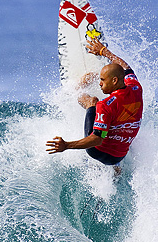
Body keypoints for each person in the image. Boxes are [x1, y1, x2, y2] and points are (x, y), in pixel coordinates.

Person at [46, 38, 143, 169]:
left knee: (92, 102)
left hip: (98, 151)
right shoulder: (136, 88)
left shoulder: (105, 105)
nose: (100, 83)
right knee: (121, 125)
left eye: (102, 80)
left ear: (114, 81)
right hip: (120, 155)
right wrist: (104, 51)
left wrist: (67, 145)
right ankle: (116, 167)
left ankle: (77, 91)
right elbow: (126, 68)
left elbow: (97, 139)